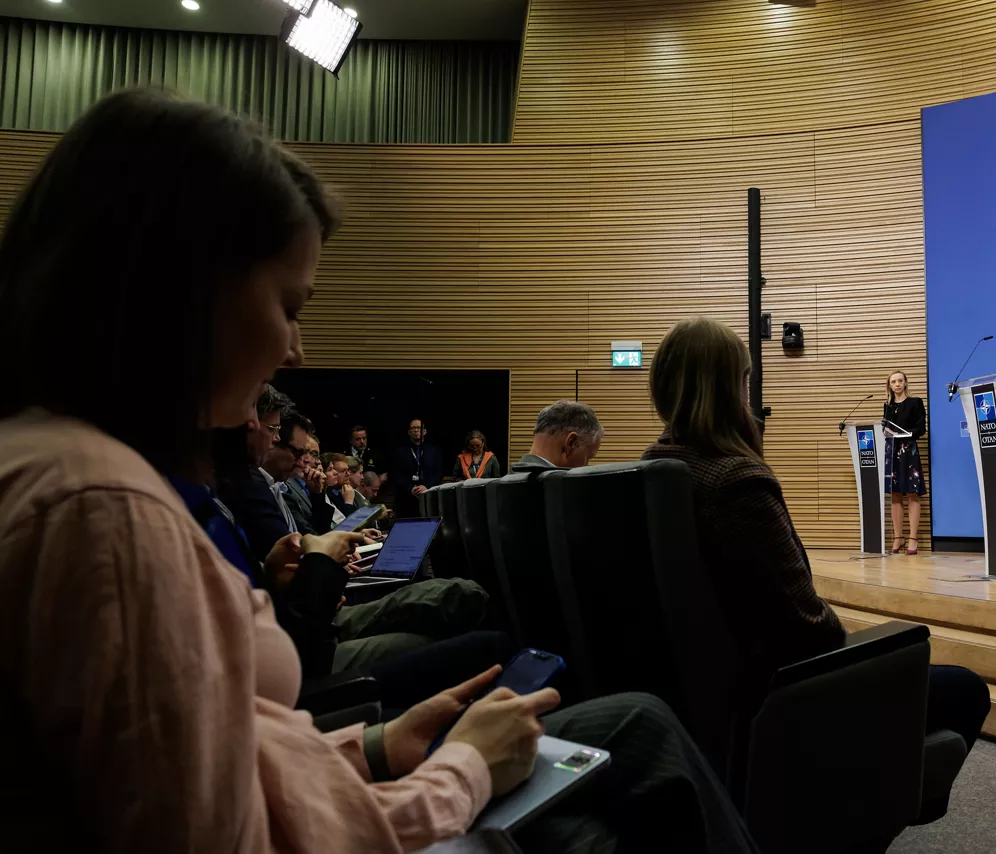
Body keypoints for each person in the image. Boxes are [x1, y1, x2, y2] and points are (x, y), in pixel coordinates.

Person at [0, 90, 757, 853]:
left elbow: (215, 760)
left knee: (628, 727)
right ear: (182, 290)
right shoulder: (99, 509)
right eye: (291, 305)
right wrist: (461, 772)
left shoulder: (67, 467)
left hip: (330, 778)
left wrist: (369, 749)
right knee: (610, 791)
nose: (294, 349)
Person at [641, 317, 990, 819]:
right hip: (777, 689)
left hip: (710, 694)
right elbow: (809, 629)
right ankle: (859, 822)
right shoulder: (737, 480)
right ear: (730, 387)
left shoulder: (654, 464)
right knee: (964, 689)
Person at [884, 370, 927, 556]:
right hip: (892, 450)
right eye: (893, 381)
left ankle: (913, 538)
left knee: (911, 493)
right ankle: (898, 536)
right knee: (895, 494)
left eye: (900, 380)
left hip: (908, 450)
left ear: (905, 382)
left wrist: (906, 433)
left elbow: (921, 428)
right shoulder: (888, 406)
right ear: (890, 386)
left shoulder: (915, 402)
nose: (897, 384)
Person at [518, 399, 605, 469]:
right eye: (588, 458)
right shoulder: (559, 489)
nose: (586, 466)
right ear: (571, 444)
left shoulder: (508, 481)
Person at [391, 417, 443, 516]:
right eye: (413, 428)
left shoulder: (434, 451)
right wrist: (410, 488)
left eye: (418, 428)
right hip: (406, 497)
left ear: (424, 431)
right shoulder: (400, 452)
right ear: (409, 432)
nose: (415, 430)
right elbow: (396, 474)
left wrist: (427, 487)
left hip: (429, 495)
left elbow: (438, 473)